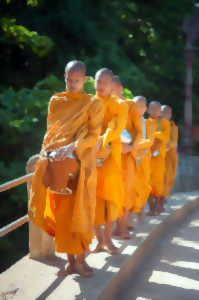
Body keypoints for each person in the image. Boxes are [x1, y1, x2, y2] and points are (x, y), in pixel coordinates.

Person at [28, 60, 104, 277]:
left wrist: (72, 147)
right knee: (61, 214)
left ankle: (81, 260)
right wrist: (49, 152)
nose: (72, 84)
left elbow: (93, 135)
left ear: (85, 80)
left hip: (82, 165)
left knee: (79, 214)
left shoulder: (93, 103)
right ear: (64, 76)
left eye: (77, 80)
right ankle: (70, 262)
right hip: (58, 164)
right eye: (69, 80)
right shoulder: (56, 101)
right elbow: (51, 131)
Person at [94, 69, 128, 252]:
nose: (100, 86)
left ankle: (108, 239)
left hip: (111, 159)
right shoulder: (89, 103)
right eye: (98, 82)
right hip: (91, 157)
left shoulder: (120, 105)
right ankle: (99, 240)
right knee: (93, 201)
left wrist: (103, 140)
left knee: (111, 200)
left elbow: (115, 126)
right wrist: (94, 142)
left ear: (111, 85)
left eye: (105, 83)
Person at [112, 77, 143, 238]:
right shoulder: (105, 105)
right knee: (112, 193)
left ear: (121, 88)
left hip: (127, 156)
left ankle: (122, 227)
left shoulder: (131, 105)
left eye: (114, 88)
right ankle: (115, 227)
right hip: (111, 156)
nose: (111, 92)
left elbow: (139, 131)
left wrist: (130, 147)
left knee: (125, 193)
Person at [133, 96, 156, 222]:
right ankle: (129, 218)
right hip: (131, 158)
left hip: (144, 160)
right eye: (136, 105)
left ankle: (141, 210)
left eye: (141, 106)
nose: (138, 108)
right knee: (131, 187)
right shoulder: (128, 121)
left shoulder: (148, 123)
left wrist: (136, 144)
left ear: (145, 109)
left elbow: (150, 141)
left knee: (143, 187)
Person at [147, 101, 170, 215]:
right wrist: (156, 136)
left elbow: (165, 137)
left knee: (158, 183)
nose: (154, 111)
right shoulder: (145, 122)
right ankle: (151, 208)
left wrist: (153, 135)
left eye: (157, 109)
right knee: (147, 184)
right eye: (152, 109)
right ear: (147, 110)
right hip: (147, 158)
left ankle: (156, 207)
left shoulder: (165, 123)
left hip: (159, 159)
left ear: (160, 111)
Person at [161, 105, 178, 202]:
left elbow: (173, 142)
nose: (165, 114)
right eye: (163, 112)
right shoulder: (155, 124)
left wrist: (165, 146)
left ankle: (163, 197)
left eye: (167, 113)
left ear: (170, 115)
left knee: (168, 177)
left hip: (169, 157)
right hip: (157, 156)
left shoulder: (173, 127)